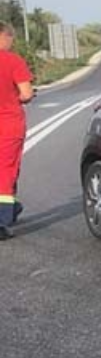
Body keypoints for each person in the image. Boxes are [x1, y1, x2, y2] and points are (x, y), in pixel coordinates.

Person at [0, 23, 34, 240]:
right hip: (8, 124)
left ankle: (12, 208)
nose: (12, 42)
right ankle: (2, 220)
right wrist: (17, 96)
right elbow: (26, 94)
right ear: (4, 36)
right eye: (11, 38)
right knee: (6, 170)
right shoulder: (13, 61)